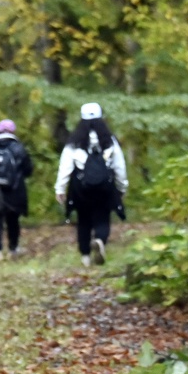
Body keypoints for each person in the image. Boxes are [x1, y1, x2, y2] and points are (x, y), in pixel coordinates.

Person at [55, 102, 129, 267]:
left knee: (84, 220)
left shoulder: (74, 141)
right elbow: (119, 165)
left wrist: (60, 188)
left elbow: (65, 166)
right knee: (103, 216)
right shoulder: (109, 141)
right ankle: (100, 240)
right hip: (105, 187)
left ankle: (85, 256)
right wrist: (122, 187)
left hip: (81, 188)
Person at [0, 118, 33, 262]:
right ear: (13, 131)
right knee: (13, 220)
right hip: (14, 190)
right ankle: (13, 248)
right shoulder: (18, 148)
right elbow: (28, 169)